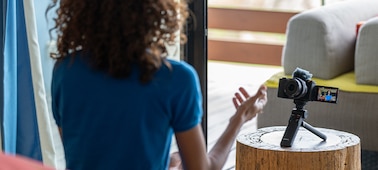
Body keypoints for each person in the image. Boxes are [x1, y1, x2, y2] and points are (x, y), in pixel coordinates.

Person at [47, 0, 268, 169]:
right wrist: (239, 119)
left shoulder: (65, 70)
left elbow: (90, 151)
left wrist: (165, 160)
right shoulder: (175, 78)